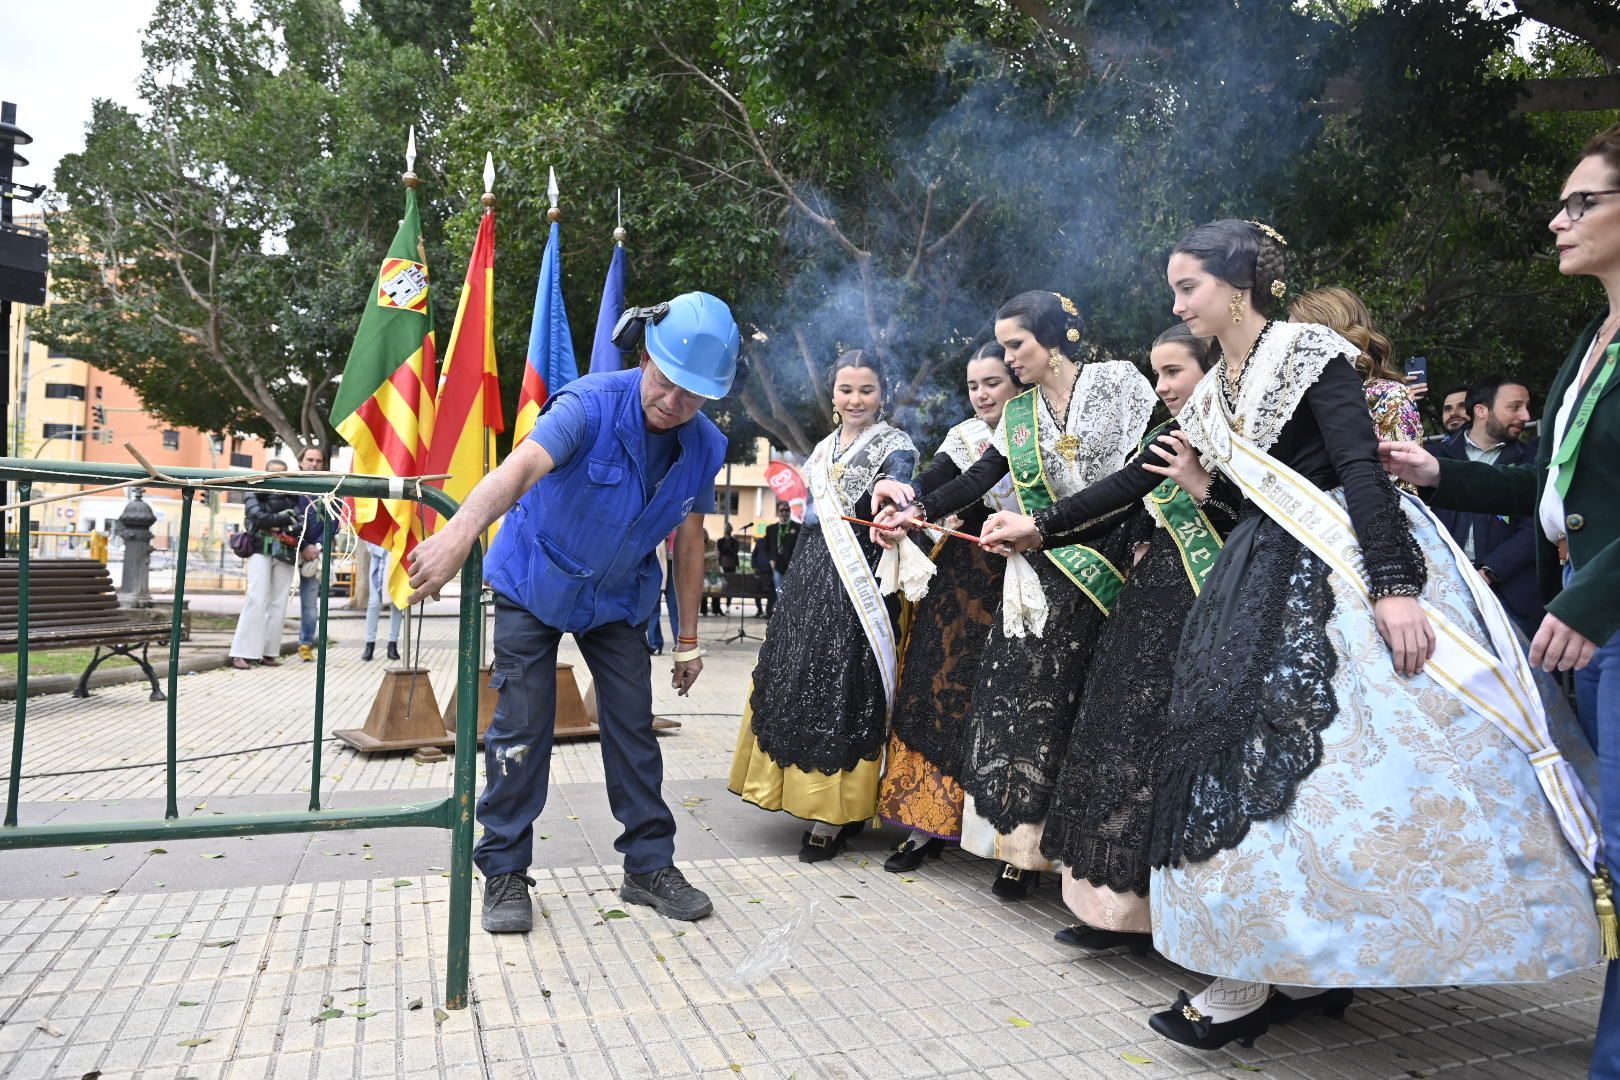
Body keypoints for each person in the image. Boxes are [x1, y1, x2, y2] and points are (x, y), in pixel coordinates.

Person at [981, 219, 1599, 1052]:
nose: (1175, 304)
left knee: (1319, 785)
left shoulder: (1312, 356)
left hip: (1334, 581)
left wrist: (1394, 588)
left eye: (1187, 287)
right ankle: (1271, 970)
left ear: (1238, 285)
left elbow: (1356, 470)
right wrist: (1042, 525)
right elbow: (1142, 475)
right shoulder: (1216, 385)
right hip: (1255, 579)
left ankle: (1299, 971)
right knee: (1248, 773)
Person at [1382, 123, 1620, 1080]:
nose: (1556, 219)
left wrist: (1591, 598)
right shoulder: (1592, 339)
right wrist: (1434, 468)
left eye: (1580, 203)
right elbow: (1554, 489)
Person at [405, 290, 740, 932]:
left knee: (634, 731)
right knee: (523, 727)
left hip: (617, 597)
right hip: (535, 580)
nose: (674, 405)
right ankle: (503, 870)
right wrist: (456, 536)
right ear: (645, 357)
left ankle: (648, 867)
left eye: (693, 396)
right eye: (667, 384)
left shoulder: (704, 445)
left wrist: (690, 638)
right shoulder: (588, 403)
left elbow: (690, 539)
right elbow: (521, 467)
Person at [874, 290, 1158, 899]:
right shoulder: (1022, 411)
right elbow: (981, 476)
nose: (1008, 358)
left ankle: (1080, 866)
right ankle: (1020, 847)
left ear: (1054, 337)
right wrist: (916, 506)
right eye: (1003, 346)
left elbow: (1143, 477)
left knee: (1090, 707)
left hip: (1113, 562)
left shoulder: (1122, 384)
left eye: (1015, 345)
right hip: (1044, 570)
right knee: (1027, 703)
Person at [979, 324, 1235, 951]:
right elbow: (1122, 496)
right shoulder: (1173, 433)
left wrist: (1203, 488)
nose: (1163, 386)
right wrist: (1042, 527)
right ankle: (1115, 912)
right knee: (1116, 733)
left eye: (1174, 371)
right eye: (1158, 373)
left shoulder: (1240, 428)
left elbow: (1263, 513)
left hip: (1220, 595)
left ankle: (1176, 917)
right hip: (1157, 592)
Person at [729, 351, 918, 862]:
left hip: (859, 586)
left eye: (866, 391)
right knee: (798, 676)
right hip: (811, 578)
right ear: (832, 394)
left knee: (845, 685)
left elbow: (901, 487)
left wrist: (897, 497)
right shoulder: (823, 447)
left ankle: (832, 816)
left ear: (884, 393)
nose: (855, 400)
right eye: (846, 390)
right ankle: (804, 796)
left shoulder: (896, 447)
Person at [875, 341, 1023, 871]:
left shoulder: (1041, 431)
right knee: (936, 688)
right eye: (973, 386)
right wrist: (905, 498)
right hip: (964, 580)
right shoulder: (965, 437)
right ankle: (925, 823)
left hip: (1035, 573)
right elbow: (943, 480)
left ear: (1020, 379)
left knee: (1014, 702)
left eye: (993, 383)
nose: (982, 394)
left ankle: (1015, 847)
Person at [1429, 374, 1543, 635]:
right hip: (1446, 593)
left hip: (1512, 595)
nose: (1525, 416)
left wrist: (1490, 571)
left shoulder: (1532, 461)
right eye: (1514, 407)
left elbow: (1536, 525)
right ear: (1481, 410)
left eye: (1527, 407)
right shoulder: (1434, 459)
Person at [1287, 287, 1422, 443]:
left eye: (1299, 336)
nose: (1290, 345)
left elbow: (1401, 464)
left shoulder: (1386, 397)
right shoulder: (1285, 401)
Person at [229, 460, 318, 670]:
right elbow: (256, 517)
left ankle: (269, 651)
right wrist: (280, 519)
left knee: (279, 602)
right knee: (256, 597)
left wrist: (282, 522)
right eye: (273, 473)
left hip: (284, 551)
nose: (277, 477)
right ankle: (242, 652)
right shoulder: (254, 490)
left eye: (281, 473)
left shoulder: (292, 494)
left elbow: (299, 522)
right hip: (260, 548)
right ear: (265, 473)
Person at [293, 445, 329, 662]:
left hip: (314, 556)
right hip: (288, 551)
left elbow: (334, 522)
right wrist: (303, 544)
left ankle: (305, 644)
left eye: (318, 460)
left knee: (310, 604)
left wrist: (316, 547)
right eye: (310, 459)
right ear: (300, 462)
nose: (314, 464)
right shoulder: (289, 486)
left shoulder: (327, 491)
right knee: (273, 601)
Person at [361, 540, 402, 662]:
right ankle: (369, 644)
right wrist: (383, 552)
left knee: (397, 603)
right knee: (373, 603)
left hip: (397, 561)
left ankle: (392, 644)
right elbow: (368, 537)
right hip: (378, 563)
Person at [757, 501, 800, 598]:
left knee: (791, 591)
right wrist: (771, 559)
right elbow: (766, 546)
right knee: (779, 591)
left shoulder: (797, 527)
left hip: (792, 563)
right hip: (777, 564)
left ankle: (790, 611)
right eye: (782, 510)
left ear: (790, 511)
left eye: (787, 510)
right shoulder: (771, 528)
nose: (784, 512)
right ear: (777, 512)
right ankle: (781, 611)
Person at [707, 524, 738, 616]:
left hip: (732, 566)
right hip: (722, 565)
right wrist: (727, 550)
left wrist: (727, 550)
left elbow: (734, 551)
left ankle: (728, 605)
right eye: (726, 528)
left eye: (729, 528)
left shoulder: (735, 541)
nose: (727, 530)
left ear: (731, 530)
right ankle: (717, 607)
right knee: (720, 586)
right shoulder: (720, 541)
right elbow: (721, 551)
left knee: (730, 585)